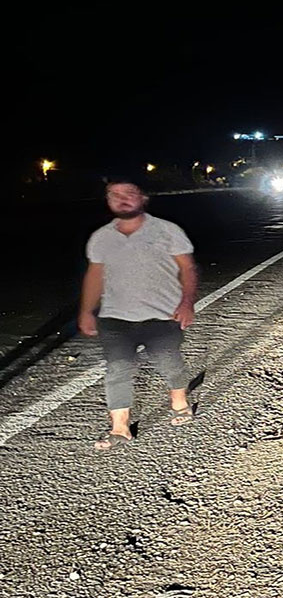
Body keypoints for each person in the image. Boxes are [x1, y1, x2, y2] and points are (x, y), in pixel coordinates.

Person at [78, 179, 198, 450]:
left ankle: (179, 403)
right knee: (117, 369)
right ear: (108, 201)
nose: (121, 199)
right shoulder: (101, 237)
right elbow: (95, 275)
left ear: (142, 198)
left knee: (169, 364)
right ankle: (120, 428)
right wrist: (87, 311)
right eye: (114, 195)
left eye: (128, 193)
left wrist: (187, 302)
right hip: (115, 317)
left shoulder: (168, 231)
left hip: (162, 315)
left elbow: (188, 268)